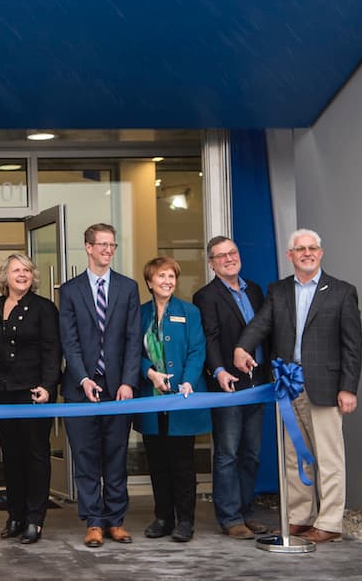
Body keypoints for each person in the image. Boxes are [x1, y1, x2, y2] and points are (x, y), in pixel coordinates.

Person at [234, 228, 362, 544]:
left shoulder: (342, 292)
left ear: (320, 253)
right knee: (294, 456)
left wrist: (348, 387)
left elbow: (353, 345)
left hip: (327, 387)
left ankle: (330, 523)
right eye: (300, 249)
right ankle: (300, 518)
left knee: (329, 457)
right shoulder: (278, 291)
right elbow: (261, 324)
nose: (307, 253)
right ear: (289, 255)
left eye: (312, 248)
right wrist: (242, 348)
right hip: (288, 386)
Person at [60, 222, 141, 548]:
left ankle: (116, 521)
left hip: (118, 389)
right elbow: (70, 341)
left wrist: (127, 382)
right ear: (88, 247)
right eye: (102, 245)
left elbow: (134, 339)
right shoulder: (69, 290)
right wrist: (83, 379)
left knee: (116, 455)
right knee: (86, 456)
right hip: (80, 389)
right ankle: (94, 521)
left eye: (112, 245)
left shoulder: (128, 287)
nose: (108, 250)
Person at [192, 234, 271, 539]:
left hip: (258, 382)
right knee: (227, 453)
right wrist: (220, 370)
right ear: (211, 264)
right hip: (228, 385)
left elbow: (265, 331)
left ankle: (247, 512)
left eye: (232, 253)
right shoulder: (206, 296)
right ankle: (230, 517)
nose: (229, 259)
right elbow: (210, 338)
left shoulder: (255, 290)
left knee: (251, 452)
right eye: (221, 256)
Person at [0, 251, 60, 545]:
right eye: (16, 270)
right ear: (5, 276)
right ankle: (15, 515)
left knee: (36, 455)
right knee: (11, 455)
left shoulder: (44, 308)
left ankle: (35, 519)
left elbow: (53, 352)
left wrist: (48, 387)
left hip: (33, 392)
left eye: (26, 270)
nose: (22, 274)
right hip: (2, 392)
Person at [135, 256, 209, 542]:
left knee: (182, 463)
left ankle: (185, 521)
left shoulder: (189, 312)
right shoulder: (139, 314)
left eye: (171, 277)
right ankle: (163, 518)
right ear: (150, 282)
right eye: (162, 276)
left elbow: (197, 350)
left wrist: (187, 381)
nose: (167, 281)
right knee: (157, 462)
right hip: (151, 399)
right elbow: (133, 352)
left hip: (182, 398)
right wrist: (150, 373)